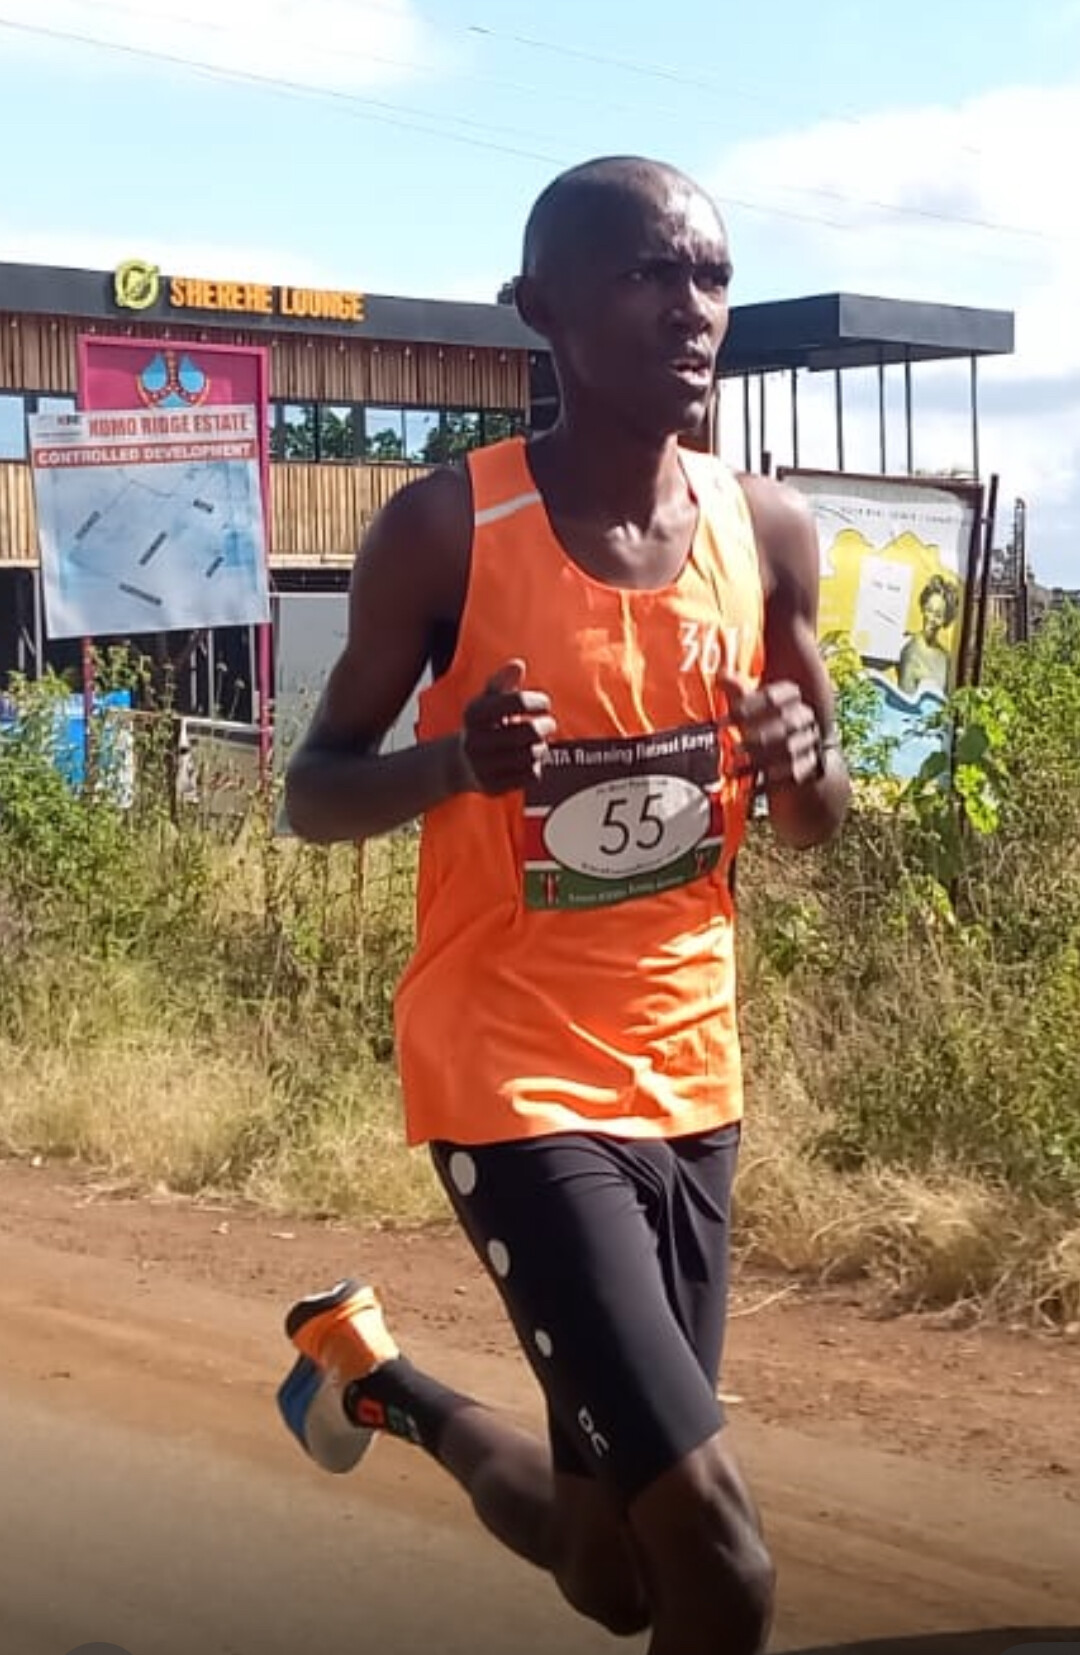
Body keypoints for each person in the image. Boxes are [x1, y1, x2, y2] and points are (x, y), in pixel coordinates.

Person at [275, 154, 851, 1655]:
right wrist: (452, 765)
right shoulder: (446, 529)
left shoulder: (769, 532)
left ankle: (373, 1381)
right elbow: (313, 792)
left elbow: (812, 824)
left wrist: (808, 763)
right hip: (512, 1076)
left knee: (619, 1573)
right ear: (542, 307)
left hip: (692, 1071)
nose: (691, 308)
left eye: (711, 277)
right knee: (723, 1568)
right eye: (648, 273)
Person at [896, 572, 959, 697]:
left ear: (946, 619)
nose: (931, 619)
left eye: (938, 615)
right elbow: (904, 699)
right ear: (923, 608)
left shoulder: (946, 658)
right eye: (929, 610)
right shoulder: (909, 649)